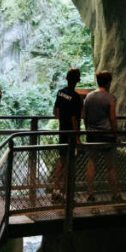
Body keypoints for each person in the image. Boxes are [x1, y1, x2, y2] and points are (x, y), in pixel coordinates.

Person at [82, 70, 120, 202]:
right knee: (110, 165)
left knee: (92, 162)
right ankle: (115, 194)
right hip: (107, 135)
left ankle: (90, 193)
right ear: (109, 82)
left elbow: (84, 116)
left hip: (92, 135)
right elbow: (112, 118)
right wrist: (116, 135)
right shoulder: (110, 98)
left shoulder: (89, 97)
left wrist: (88, 129)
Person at [49, 68, 84, 202]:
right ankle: (66, 192)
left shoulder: (60, 93)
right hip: (71, 134)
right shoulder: (76, 97)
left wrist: (61, 122)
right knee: (70, 162)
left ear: (66, 78)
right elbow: (75, 118)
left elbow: (55, 111)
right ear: (78, 80)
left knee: (62, 159)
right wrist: (77, 137)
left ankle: (56, 189)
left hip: (62, 131)